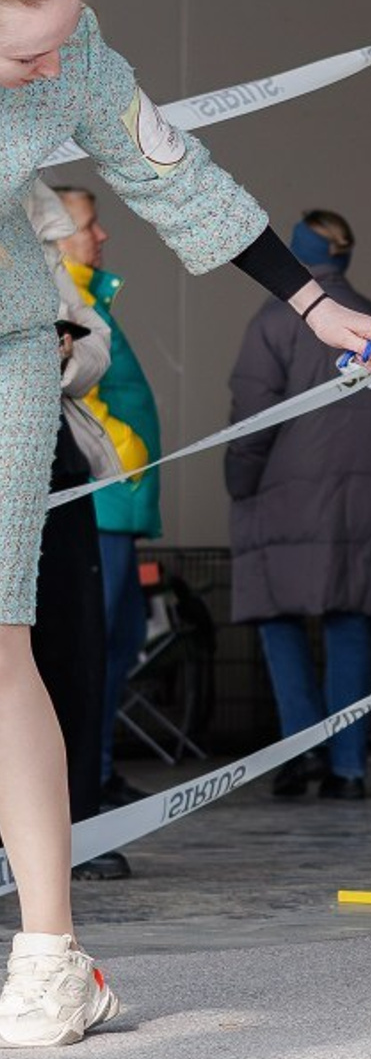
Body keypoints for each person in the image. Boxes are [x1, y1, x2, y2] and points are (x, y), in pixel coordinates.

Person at [0, 0, 371, 1047]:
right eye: (31, 50)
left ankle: (49, 953)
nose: (58, 64)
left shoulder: (74, 65)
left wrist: (315, 301)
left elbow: (179, 178)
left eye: (70, 37)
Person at [226, 211, 371, 800]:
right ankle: (349, 769)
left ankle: (300, 756)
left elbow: (251, 421)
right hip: (365, 506)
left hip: (282, 502)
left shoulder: (273, 320)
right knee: (350, 626)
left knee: (280, 626)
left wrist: (238, 482)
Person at [53, 184, 157, 810]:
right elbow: (83, 401)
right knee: (89, 648)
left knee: (118, 642)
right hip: (99, 495)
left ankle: (97, 772)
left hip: (118, 500)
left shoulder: (89, 297)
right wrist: (126, 460)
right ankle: (83, 787)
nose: (102, 235)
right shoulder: (50, 285)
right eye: (90, 225)